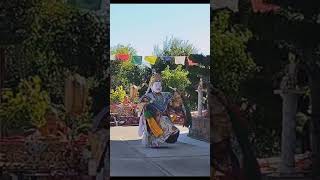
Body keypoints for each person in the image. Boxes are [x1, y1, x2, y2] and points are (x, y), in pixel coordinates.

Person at [138, 72, 180, 148]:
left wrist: (176, 97)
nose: (158, 87)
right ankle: (154, 140)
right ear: (151, 87)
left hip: (164, 117)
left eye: (160, 85)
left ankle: (158, 140)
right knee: (165, 124)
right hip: (153, 118)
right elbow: (140, 105)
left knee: (173, 129)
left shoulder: (166, 95)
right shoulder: (148, 96)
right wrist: (147, 103)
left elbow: (173, 104)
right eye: (156, 85)